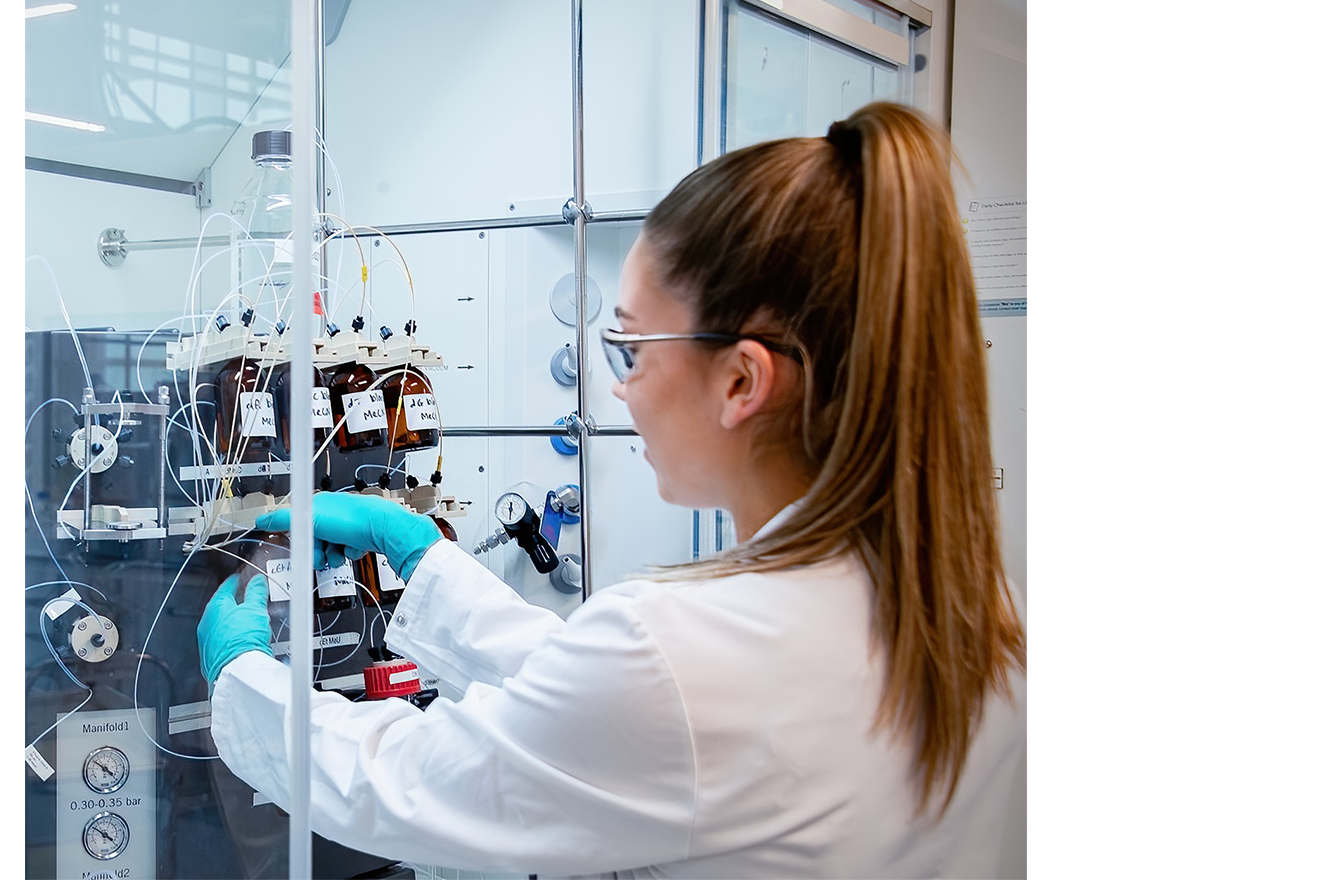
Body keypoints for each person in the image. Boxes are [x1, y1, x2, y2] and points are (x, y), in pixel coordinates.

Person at [197, 102, 1027, 879]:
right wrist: (424, 561)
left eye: (630, 348)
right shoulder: (977, 607)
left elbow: (408, 779)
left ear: (741, 381)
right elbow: (610, 710)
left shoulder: (682, 657)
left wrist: (243, 681)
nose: (619, 389)